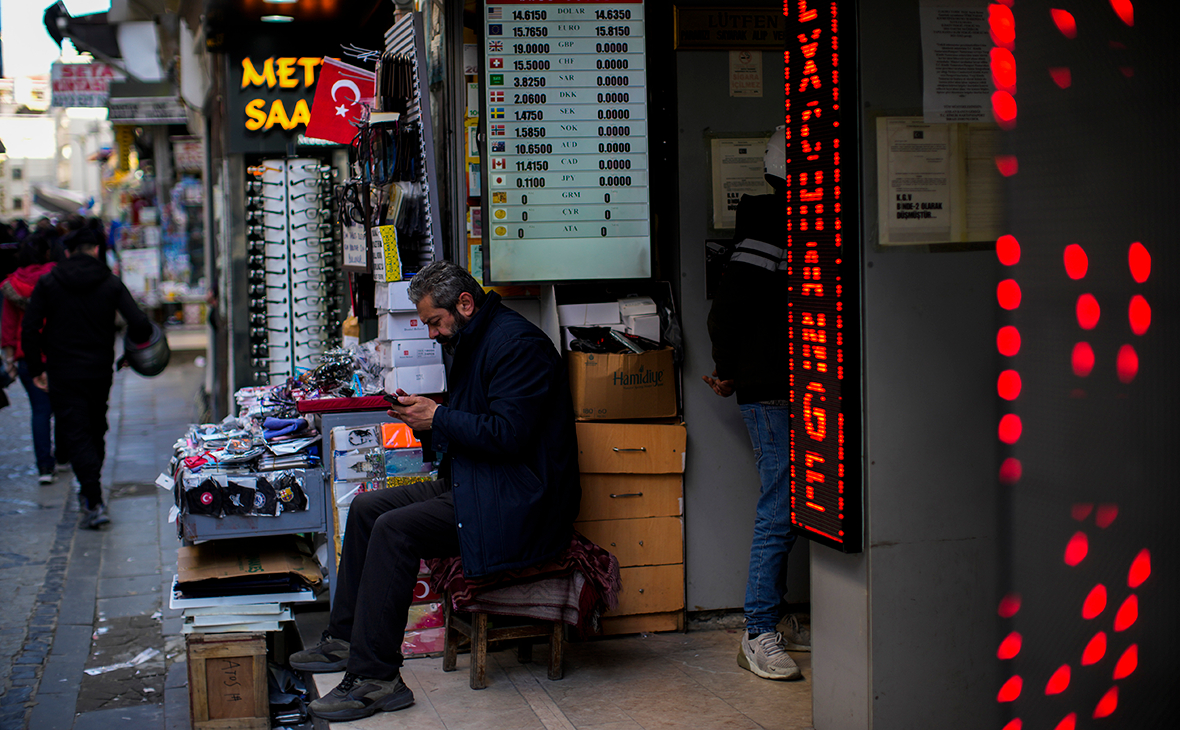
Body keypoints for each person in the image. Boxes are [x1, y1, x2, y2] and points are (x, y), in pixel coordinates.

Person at [290, 261, 581, 722]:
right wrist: (426, 418)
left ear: (464, 304)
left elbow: (510, 435)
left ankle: (377, 678)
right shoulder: (472, 339)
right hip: (483, 482)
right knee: (367, 508)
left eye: (432, 321)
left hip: (523, 500)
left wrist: (438, 418)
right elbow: (476, 424)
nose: (430, 334)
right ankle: (346, 639)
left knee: (394, 530)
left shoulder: (518, 345)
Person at [704, 127, 811, 681]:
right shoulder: (771, 225)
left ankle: (781, 618)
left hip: (803, 386)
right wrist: (733, 372)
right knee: (780, 505)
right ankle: (758, 631)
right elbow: (727, 313)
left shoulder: (800, 222)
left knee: (796, 504)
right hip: (773, 391)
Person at [21, 227, 153, 529]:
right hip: (98, 369)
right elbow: (140, 324)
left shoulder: (49, 282)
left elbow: (29, 328)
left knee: (75, 430)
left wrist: (37, 369)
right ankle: (92, 492)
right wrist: (129, 355)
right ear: (95, 249)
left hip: (62, 371)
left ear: (67, 252)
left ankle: (92, 498)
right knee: (96, 428)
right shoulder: (110, 282)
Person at [2, 232, 59, 483]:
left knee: (39, 410)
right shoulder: (57, 277)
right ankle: (65, 454)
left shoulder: (12, 284)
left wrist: (9, 357)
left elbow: (8, 324)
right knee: (64, 406)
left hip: (27, 354)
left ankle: (45, 467)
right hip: (58, 351)